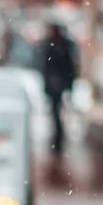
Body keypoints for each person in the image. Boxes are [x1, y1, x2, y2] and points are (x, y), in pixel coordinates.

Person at [39, 21, 78, 156]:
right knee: (56, 111)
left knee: (57, 111)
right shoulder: (53, 44)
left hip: (59, 84)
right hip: (55, 85)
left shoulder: (61, 45)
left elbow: (68, 65)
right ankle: (58, 136)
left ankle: (59, 136)